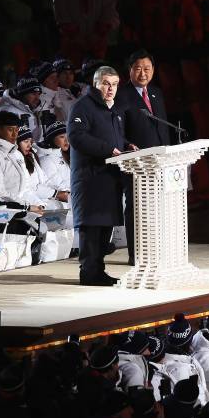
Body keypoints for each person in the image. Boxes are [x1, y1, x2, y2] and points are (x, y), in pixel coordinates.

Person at [68, 65, 135, 286]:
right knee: (92, 227)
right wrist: (109, 150)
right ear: (96, 84)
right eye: (106, 84)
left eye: (114, 84)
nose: (110, 89)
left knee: (104, 226)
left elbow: (115, 139)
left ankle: (98, 270)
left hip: (109, 177)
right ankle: (88, 272)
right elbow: (77, 137)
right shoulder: (82, 107)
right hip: (90, 178)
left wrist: (126, 145)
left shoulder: (113, 110)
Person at [113, 50, 171, 264]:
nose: (143, 73)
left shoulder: (156, 93)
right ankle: (136, 253)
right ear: (129, 71)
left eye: (147, 68)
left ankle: (157, 249)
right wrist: (127, 145)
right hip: (136, 161)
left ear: (153, 70)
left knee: (157, 206)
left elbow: (162, 127)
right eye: (138, 68)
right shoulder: (121, 95)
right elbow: (117, 128)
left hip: (159, 161)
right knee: (137, 208)